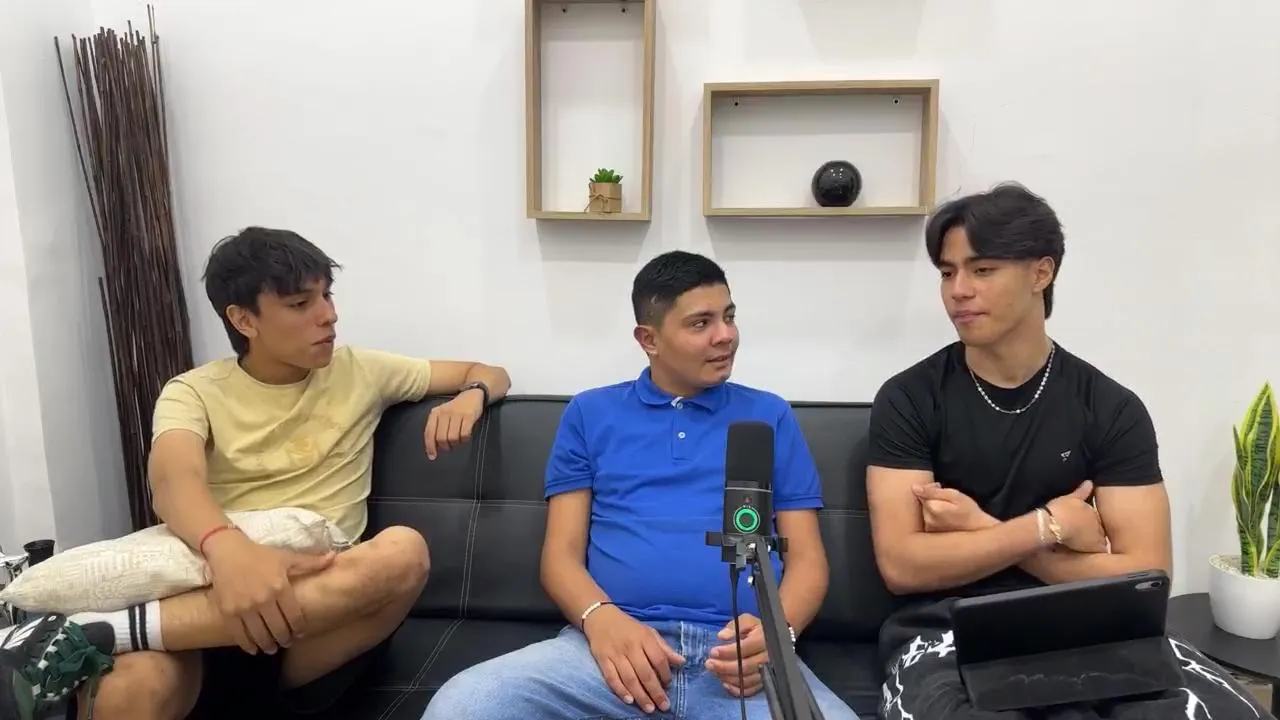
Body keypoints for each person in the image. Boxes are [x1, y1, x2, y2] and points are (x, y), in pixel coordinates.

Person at [0, 227, 511, 720]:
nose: (328, 315)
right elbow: (174, 480)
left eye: (327, 295)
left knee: (404, 552)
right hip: (207, 609)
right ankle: (128, 634)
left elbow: (485, 371)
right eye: (301, 303)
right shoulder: (193, 391)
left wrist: (473, 395)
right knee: (131, 688)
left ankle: (110, 629)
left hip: (313, 623)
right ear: (244, 319)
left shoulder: (361, 371)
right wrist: (230, 551)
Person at [866, 183, 1269, 720]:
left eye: (982, 270)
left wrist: (983, 529)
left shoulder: (1110, 407)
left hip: (1099, 629)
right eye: (947, 272)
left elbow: (1146, 577)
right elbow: (903, 565)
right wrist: (1047, 527)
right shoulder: (910, 398)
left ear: (1041, 273)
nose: (958, 290)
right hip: (949, 628)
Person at [420, 251, 858, 719]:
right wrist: (601, 620)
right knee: (462, 706)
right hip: (609, 653)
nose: (725, 335)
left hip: (739, 660)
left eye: (729, 316)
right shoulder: (590, 413)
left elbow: (807, 559)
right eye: (701, 323)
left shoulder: (769, 415)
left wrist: (778, 635)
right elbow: (560, 557)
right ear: (648, 339)